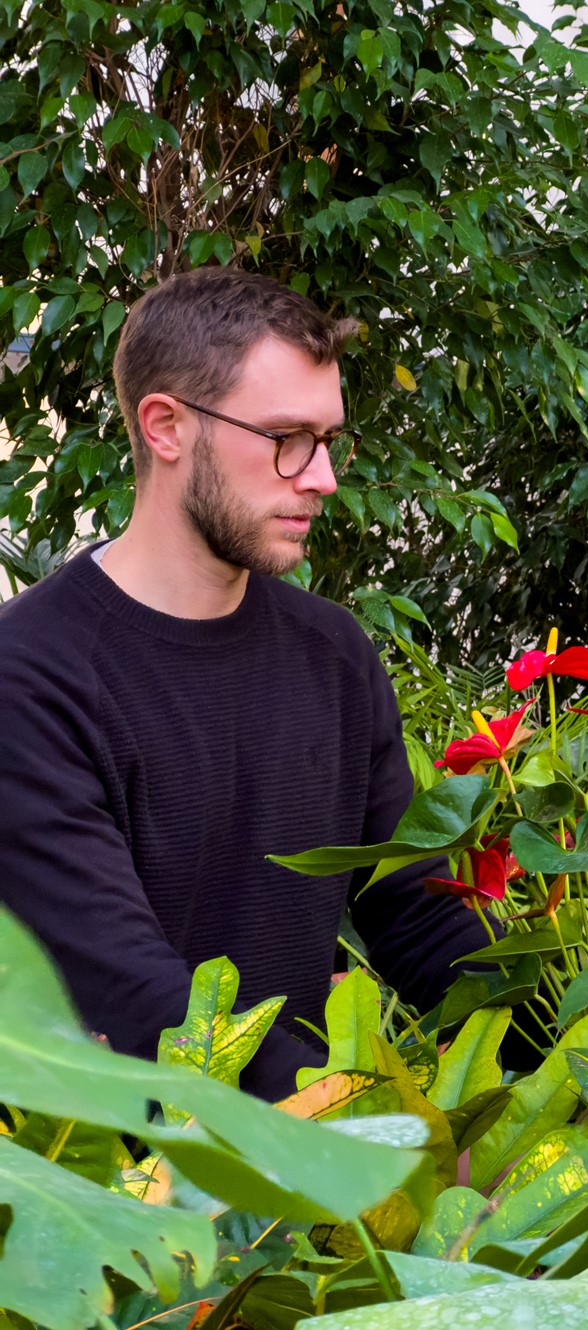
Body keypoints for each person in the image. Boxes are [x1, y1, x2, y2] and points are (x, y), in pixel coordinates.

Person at [0, 267, 493, 1100]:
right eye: (285, 438)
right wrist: (378, 1134)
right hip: (110, 1190)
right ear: (166, 426)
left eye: (329, 439)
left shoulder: (333, 654)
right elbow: (141, 1002)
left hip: (297, 1194)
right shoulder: (30, 678)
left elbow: (416, 912)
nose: (322, 476)